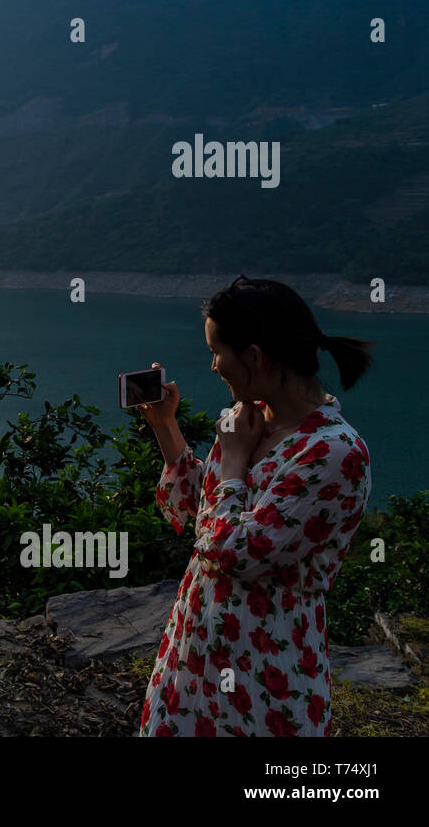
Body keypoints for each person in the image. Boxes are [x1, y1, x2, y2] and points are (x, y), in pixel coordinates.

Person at [137, 276, 373, 736]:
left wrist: (235, 462)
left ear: (254, 356)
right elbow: (194, 513)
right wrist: (166, 427)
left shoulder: (335, 453)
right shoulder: (246, 422)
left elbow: (235, 554)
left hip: (265, 673)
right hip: (194, 652)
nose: (212, 366)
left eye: (215, 351)